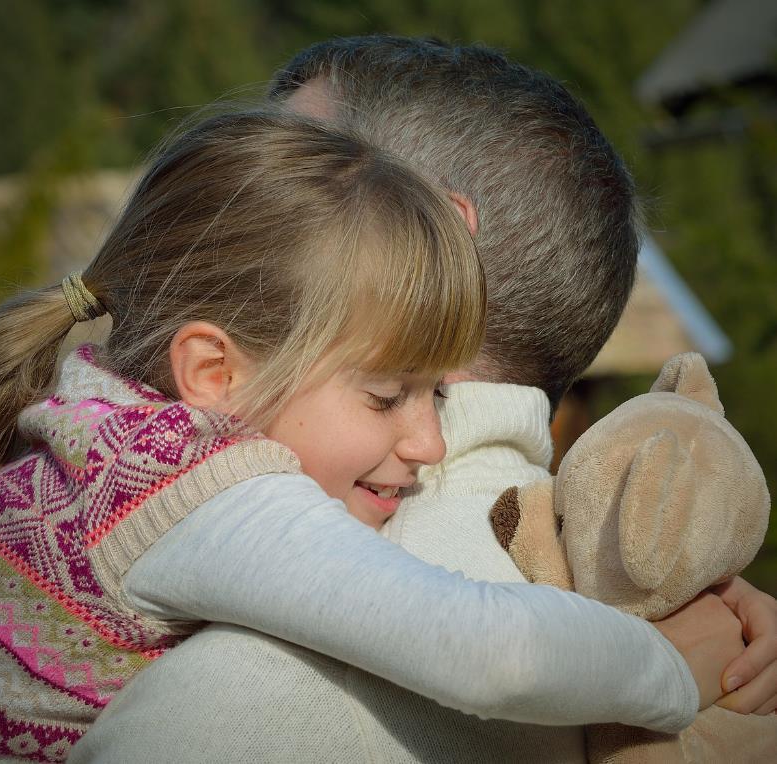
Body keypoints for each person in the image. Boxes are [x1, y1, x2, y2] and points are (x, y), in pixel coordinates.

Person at [0, 110, 724, 762]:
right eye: (389, 396)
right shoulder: (195, 493)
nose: (431, 441)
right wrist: (674, 666)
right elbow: (489, 650)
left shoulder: (98, 416)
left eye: (436, 392)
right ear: (215, 373)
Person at [72, 37, 777, 763]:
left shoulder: (228, 705)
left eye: (286, 174)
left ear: (437, 234)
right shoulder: (676, 620)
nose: (222, 222)